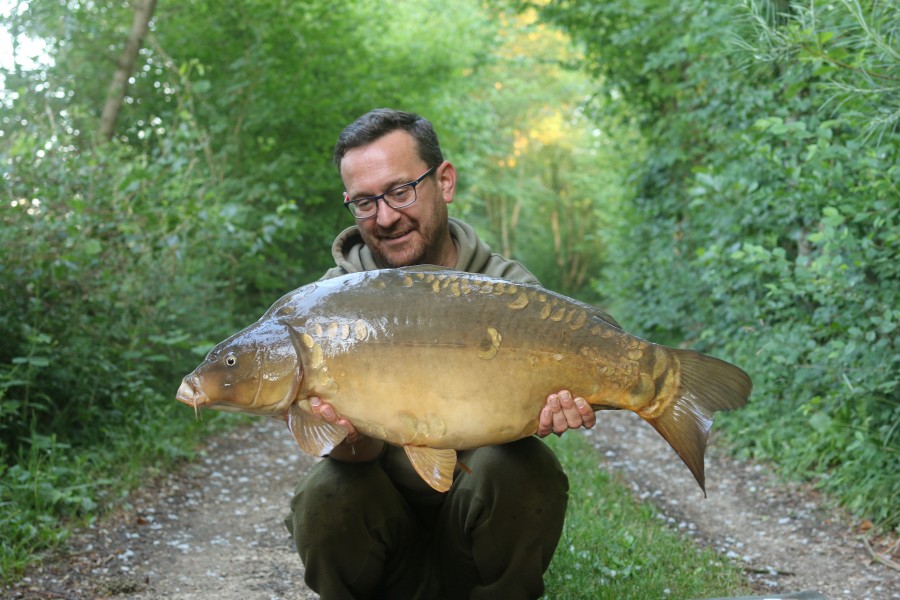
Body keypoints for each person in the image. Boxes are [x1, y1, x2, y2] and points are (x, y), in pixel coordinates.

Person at [283, 108, 598, 599]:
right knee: (326, 490)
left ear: (444, 181)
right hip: (385, 535)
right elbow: (351, 456)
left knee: (521, 469)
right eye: (364, 202)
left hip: (473, 528)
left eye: (400, 191)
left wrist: (558, 405)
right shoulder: (326, 307)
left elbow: (529, 425)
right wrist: (343, 433)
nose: (385, 217)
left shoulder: (510, 291)